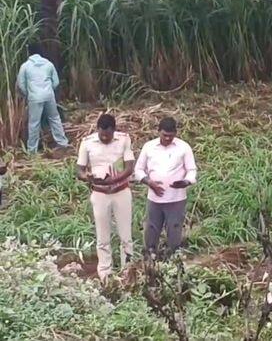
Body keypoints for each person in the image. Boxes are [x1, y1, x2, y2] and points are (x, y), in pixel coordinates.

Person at [76, 114, 135, 282]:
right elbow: (79, 169)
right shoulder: (87, 142)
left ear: (113, 131)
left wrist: (114, 180)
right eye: (102, 134)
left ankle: (127, 271)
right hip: (100, 193)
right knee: (102, 236)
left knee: (126, 236)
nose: (104, 138)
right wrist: (87, 177)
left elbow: (129, 167)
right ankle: (104, 271)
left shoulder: (124, 140)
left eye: (108, 135)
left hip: (121, 192)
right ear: (97, 130)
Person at [135, 117, 197, 258]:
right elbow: (138, 170)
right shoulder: (149, 147)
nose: (168, 138)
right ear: (158, 132)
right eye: (164, 135)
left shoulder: (184, 147)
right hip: (154, 198)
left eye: (171, 135)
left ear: (176, 133)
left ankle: (174, 257)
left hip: (176, 198)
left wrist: (186, 182)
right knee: (152, 227)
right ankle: (150, 256)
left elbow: (192, 170)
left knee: (174, 227)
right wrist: (149, 182)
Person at [16, 44, 69, 154]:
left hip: (34, 98)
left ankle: (32, 150)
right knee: (54, 119)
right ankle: (63, 143)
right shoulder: (48, 64)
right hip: (49, 96)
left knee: (34, 123)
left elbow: (21, 84)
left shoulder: (25, 66)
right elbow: (56, 82)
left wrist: (29, 93)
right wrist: (49, 90)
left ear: (29, 53)